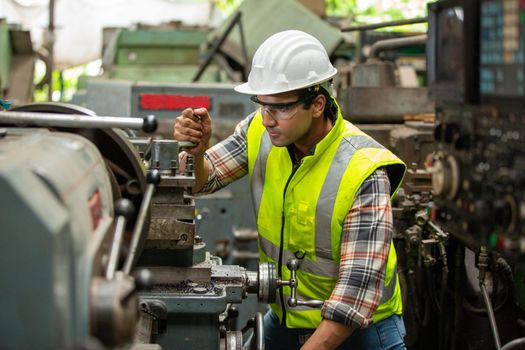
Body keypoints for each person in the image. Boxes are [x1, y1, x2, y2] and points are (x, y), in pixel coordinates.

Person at [173, 30, 407, 350]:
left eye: (280, 108)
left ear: (317, 104)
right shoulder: (261, 130)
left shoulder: (363, 171)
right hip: (288, 318)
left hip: (359, 332)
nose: (267, 119)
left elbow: (355, 295)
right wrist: (197, 152)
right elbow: (203, 181)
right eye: (262, 105)